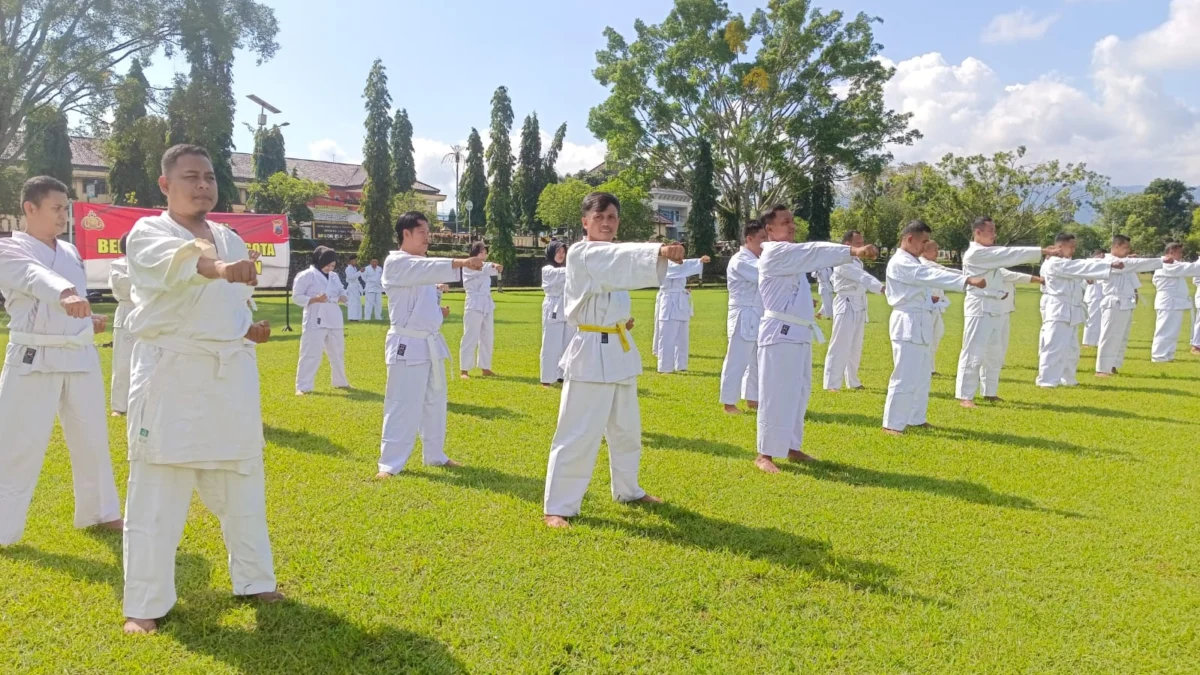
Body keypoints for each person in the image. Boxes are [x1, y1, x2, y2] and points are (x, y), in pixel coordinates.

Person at [121, 145, 279, 634]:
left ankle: (255, 580)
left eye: (209, 177)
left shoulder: (230, 236)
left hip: (228, 376)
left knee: (243, 483)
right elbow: (187, 265)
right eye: (190, 176)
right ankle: (144, 604)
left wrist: (247, 328)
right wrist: (220, 270)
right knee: (157, 495)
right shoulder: (149, 233)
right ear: (165, 185)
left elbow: (234, 301)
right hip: (172, 376)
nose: (203, 185)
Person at [543, 192, 683, 527]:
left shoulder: (610, 259)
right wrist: (659, 250)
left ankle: (628, 489)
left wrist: (621, 320)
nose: (607, 223)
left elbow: (614, 282)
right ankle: (558, 505)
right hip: (590, 351)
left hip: (618, 350)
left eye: (612, 218)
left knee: (626, 430)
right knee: (577, 432)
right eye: (600, 217)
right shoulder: (581, 253)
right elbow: (617, 260)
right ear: (585, 222)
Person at [0, 176, 122, 547]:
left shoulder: (70, 252)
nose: (63, 216)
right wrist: (65, 293)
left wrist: (87, 318)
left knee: (92, 440)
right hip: (33, 357)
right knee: (16, 445)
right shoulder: (9, 249)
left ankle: (101, 512)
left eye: (66, 209)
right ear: (29, 209)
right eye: (56, 208)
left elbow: (74, 305)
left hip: (79, 355)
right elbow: (34, 278)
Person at [755, 205, 877, 473]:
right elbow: (813, 251)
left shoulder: (789, 256)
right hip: (779, 333)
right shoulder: (776, 252)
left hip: (798, 332)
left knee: (798, 393)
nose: (791, 226)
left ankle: (791, 446)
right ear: (769, 229)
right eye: (785, 222)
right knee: (776, 393)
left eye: (792, 221)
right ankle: (765, 454)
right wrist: (852, 251)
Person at [376, 212, 485, 478]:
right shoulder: (396, 263)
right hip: (406, 344)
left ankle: (435, 454)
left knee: (435, 401)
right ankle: (389, 464)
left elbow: (423, 302)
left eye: (428, 231)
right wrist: (462, 262)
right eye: (423, 232)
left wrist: (439, 314)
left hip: (429, 344)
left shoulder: (422, 265)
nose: (428, 237)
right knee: (402, 403)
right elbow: (424, 271)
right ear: (406, 234)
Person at [884, 221, 992, 435]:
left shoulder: (913, 261)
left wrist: (930, 298)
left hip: (921, 320)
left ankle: (916, 418)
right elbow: (931, 276)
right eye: (923, 241)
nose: (925, 246)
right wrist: (967, 279)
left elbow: (925, 280)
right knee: (904, 375)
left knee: (922, 375)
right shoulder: (901, 261)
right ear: (909, 239)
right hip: (907, 322)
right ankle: (892, 424)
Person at [956, 217, 1060, 407]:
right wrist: (1041, 251)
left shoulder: (989, 257)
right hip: (979, 307)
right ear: (977, 232)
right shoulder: (976, 254)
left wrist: (1033, 279)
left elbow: (1005, 273)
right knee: (974, 351)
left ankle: (990, 391)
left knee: (994, 352)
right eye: (991, 231)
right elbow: (1010, 254)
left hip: (996, 306)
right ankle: (965, 396)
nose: (995, 235)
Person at [1036, 233, 1123, 388]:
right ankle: (1046, 381)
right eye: (1071, 247)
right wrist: (1107, 264)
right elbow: (1081, 266)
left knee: (1072, 349)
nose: (1073, 250)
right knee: (1054, 346)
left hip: (1072, 309)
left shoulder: (1068, 264)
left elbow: (1079, 275)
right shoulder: (1055, 263)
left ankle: (1068, 379)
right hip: (1057, 308)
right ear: (1060, 246)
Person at [1096, 235, 1168, 376]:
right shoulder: (1109, 261)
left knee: (1122, 337)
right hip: (1113, 302)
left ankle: (1113, 365)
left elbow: (1133, 270)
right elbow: (1137, 264)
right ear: (1116, 247)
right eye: (1125, 248)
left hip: (1126, 303)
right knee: (1110, 336)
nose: (1128, 251)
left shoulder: (1125, 262)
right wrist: (1161, 261)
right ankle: (1102, 369)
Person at [822, 230, 884, 391]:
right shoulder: (842, 261)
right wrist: (882, 288)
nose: (861, 246)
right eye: (857, 243)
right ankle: (832, 384)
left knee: (856, 346)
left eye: (862, 242)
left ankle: (853, 381)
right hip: (846, 303)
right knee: (840, 345)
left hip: (859, 303)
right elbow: (863, 277)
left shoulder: (856, 261)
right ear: (847, 245)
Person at [719, 221, 766, 414]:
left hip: (759, 314)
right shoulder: (740, 260)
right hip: (743, 314)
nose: (765, 243)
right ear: (749, 239)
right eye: (762, 238)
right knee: (737, 359)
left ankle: (753, 398)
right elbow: (763, 274)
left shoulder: (756, 259)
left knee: (757, 359)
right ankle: (728, 403)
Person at [292, 246, 350, 395]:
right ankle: (303, 386)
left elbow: (341, 290)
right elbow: (296, 297)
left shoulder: (334, 276)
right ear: (320, 261)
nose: (329, 268)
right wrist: (314, 299)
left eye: (332, 265)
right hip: (315, 316)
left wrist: (343, 297)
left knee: (337, 352)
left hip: (334, 316)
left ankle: (340, 381)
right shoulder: (306, 275)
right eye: (327, 265)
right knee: (310, 353)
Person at [981, 268, 1043, 399]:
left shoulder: (999, 270)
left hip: (1005, 312)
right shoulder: (997, 270)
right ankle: (987, 387)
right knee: (993, 348)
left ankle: (993, 380)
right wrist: (1039, 279)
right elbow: (1017, 276)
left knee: (1002, 346)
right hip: (996, 312)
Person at [655, 253, 711, 373]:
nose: (680, 257)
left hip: (681, 302)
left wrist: (684, 290)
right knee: (667, 337)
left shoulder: (681, 267)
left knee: (682, 338)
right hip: (669, 303)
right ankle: (665, 366)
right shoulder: (664, 265)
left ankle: (681, 365)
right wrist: (698, 261)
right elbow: (679, 269)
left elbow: (682, 271)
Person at [459, 242, 502, 379]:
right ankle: (464, 370)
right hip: (473, 303)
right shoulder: (468, 265)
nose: (484, 255)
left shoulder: (485, 267)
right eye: (481, 252)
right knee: (470, 335)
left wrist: (495, 266)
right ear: (474, 253)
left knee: (487, 336)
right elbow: (484, 267)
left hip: (486, 303)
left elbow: (492, 270)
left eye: (485, 252)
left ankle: (485, 367)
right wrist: (493, 265)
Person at [1150, 243, 1200, 363]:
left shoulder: (1173, 265)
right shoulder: (1166, 264)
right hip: (1168, 301)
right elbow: (1190, 268)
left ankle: (1168, 355)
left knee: (1172, 331)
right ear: (1171, 251)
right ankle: (1159, 356)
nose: (1181, 255)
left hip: (1175, 302)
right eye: (1180, 252)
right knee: (1164, 330)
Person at [110, 234, 136, 416]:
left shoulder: (151, 264)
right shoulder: (118, 265)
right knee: (123, 361)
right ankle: (119, 406)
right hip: (127, 312)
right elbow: (125, 287)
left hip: (149, 312)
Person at [539, 241, 570, 387]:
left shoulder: (569, 269)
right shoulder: (547, 269)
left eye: (563, 252)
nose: (561, 255)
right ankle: (547, 377)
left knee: (568, 342)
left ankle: (562, 374)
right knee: (551, 343)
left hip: (568, 306)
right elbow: (559, 275)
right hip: (553, 306)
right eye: (558, 252)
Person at [920, 240, 952, 375]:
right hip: (925, 307)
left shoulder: (932, 265)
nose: (937, 252)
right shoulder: (922, 263)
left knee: (936, 336)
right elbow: (944, 271)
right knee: (926, 339)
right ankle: (924, 368)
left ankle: (930, 368)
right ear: (925, 250)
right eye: (935, 249)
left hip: (937, 307)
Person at [1082, 249, 1106, 347]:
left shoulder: (1102, 264)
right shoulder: (1091, 262)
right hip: (1094, 294)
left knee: (1100, 320)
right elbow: (1088, 281)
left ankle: (1097, 341)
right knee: (1092, 319)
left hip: (1101, 294)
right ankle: (1087, 341)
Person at [345, 254, 364, 321]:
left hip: (356, 286)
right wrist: (360, 272)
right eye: (355, 260)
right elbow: (351, 277)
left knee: (357, 302)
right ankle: (352, 318)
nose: (356, 261)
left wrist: (360, 272)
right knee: (352, 303)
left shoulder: (354, 268)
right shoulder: (348, 268)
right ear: (351, 261)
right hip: (352, 287)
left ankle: (356, 317)